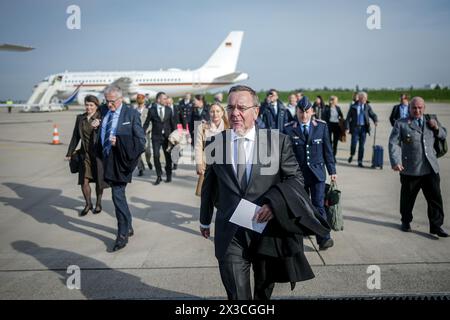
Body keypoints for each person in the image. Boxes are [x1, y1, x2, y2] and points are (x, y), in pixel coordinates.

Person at [200, 85, 330, 300]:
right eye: (230, 107)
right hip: (230, 231)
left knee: (263, 294)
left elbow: (295, 179)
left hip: (267, 231)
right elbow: (209, 185)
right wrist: (205, 220)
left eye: (241, 107)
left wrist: (274, 204)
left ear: (256, 111)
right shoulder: (215, 143)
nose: (235, 113)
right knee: (237, 297)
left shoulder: (277, 141)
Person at [92, 85, 145, 252]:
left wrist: (120, 142)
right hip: (106, 159)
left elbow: (141, 142)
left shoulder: (131, 114)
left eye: (112, 102)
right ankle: (128, 225)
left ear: (121, 99)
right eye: (106, 101)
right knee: (119, 195)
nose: (109, 105)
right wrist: (95, 124)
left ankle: (122, 233)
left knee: (117, 195)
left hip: (122, 160)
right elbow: (89, 116)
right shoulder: (103, 110)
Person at [388, 97, 448, 237]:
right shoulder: (401, 123)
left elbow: (444, 134)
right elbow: (393, 143)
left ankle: (436, 226)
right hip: (410, 169)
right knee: (407, 200)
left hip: (430, 168)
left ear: (424, 108)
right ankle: (406, 221)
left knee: (435, 199)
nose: (417, 110)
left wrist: (437, 128)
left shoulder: (431, 120)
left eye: (420, 107)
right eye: (414, 108)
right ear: (410, 108)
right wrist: (396, 161)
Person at [284, 98, 337, 250]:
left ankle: (324, 238)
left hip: (317, 174)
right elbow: (285, 154)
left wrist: (332, 170)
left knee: (318, 205)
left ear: (312, 112)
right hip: (298, 176)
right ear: (297, 112)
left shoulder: (321, 127)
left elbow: (328, 150)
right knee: (300, 207)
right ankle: (299, 237)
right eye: (301, 112)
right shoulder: (288, 128)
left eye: (307, 112)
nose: (304, 115)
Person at [66, 95, 109, 216]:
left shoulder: (102, 117)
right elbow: (75, 137)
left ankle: (99, 203)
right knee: (84, 181)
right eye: (87, 104)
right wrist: (70, 152)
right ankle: (88, 203)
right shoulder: (81, 118)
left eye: (91, 105)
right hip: (85, 155)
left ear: (96, 106)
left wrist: (100, 123)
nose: (88, 107)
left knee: (99, 181)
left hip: (98, 155)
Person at [194, 103, 229, 196]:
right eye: (212, 111)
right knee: (206, 196)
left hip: (224, 166)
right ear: (209, 113)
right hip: (207, 166)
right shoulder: (202, 127)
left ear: (222, 113)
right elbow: (198, 146)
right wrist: (199, 163)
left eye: (217, 111)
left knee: (223, 195)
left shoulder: (229, 127)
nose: (215, 114)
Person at [143, 92, 176, 185]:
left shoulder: (169, 110)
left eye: (166, 98)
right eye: (164, 99)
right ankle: (159, 176)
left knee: (168, 156)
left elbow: (172, 123)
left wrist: (177, 135)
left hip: (167, 137)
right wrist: (142, 132)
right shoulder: (152, 110)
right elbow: (146, 123)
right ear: (158, 100)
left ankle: (169, 175)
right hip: (156, 137)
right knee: (156, 156)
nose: (166, 100)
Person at [345, 91, 378, 167]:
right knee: (353, 144)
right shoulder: (353, 106)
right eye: (364, 98)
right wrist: (347, 128)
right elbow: (348, 118)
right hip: (355, 128)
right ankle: (352, 154)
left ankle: (360, 161)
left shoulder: (367, 106)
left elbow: (372, 114)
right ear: (359, 98)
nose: (365, 99)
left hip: (364, 128)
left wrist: (375, 120)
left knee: (361, 146)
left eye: (366, 98)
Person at [134, 93, 153, 176]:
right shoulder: (134, 110)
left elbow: (151, 123)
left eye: (141, 98)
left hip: (146, 133)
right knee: (137, 153)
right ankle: (140, 168)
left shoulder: (148, 110)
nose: (140, 100)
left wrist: (147, 130)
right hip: (136, 134)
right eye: (138, 98)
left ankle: (148, 161)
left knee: (147, 151)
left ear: (144, 99)